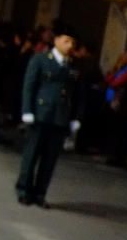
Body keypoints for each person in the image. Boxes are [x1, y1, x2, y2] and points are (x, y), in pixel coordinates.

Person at [16, 22, 82, 208]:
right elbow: (29, 87)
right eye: (66, 41)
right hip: (40, 113)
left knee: (50, 159)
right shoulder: (41, 59)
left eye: (72, 42)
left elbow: (77, 94)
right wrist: (27, 111)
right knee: (32, 154)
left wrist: (76, 117)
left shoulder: (73, 66)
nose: (70, 45)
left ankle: (40, 193)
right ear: (56, 41)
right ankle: (24, 190)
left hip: (60, 117)